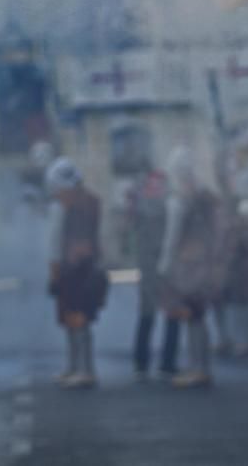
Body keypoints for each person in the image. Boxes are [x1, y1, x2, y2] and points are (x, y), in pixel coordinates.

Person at [158, 146, 220, 389]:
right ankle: (201, 367)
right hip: (205, 261)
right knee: (198, 316)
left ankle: (198, 368)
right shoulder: (205, 195)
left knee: (193, 316)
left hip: (187, 264)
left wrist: (164, 267)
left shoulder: (180, 200)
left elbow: (171, 238)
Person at [45, 157, 107, 390]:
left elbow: (56, 246)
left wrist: (55, 272)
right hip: (77, 269)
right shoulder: (87, 202)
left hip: (78, 270)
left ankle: (85, 369)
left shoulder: (74, 206)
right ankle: (75, 367)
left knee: (79, 319)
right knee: (71, 318)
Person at [119, 166, 179, 380]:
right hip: (151, 264)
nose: (155, 188)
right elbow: (126, 231)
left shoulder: (167, 204)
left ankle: (164, 362)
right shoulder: (141, 206)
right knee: (148, 313)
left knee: (169, 313)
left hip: (167, 263)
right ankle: (144, 362)